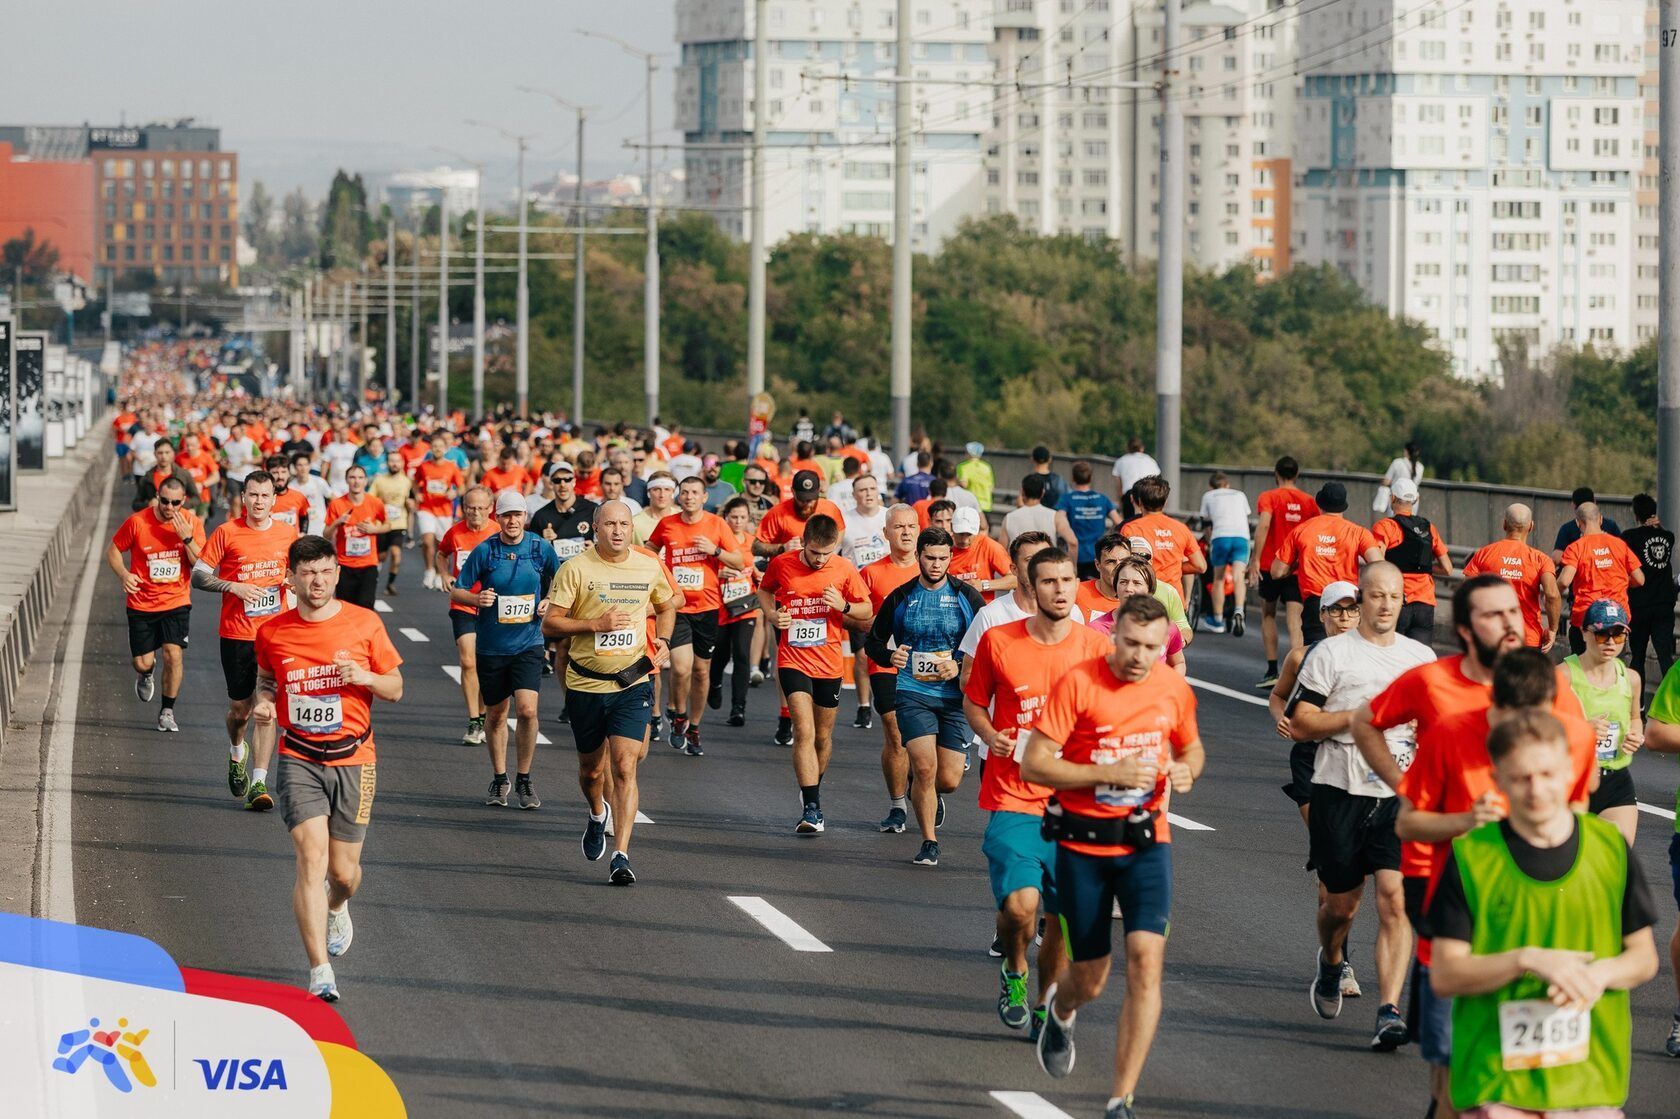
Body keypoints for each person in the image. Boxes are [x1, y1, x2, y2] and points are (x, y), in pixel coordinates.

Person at [1393, 646, 1600, 1117]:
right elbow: (1407, 824)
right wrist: (1466, 821)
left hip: (1540, 922)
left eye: (1543, 718)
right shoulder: (1451, 734)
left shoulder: (1574, 737)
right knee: (1453, 1084)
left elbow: (1580, 818)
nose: (1534, 735)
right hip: (1461, 916)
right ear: (1496, 707)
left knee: (1533, 1085)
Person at [1021, 594, 1203, 1119]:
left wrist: (1189, 768)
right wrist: (1107, 774)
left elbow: (1191, 748)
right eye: (1130, 643)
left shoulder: (1172, 687)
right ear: (1113, 636)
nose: (1139, 656)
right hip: (1083, 845)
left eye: (1151, 646)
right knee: (1092, 977)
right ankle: (1060, 1007)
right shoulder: (1080, 683)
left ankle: (1120, 1098)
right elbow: (1035, 764)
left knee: (1147, 961)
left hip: (1147, 844)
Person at [1427, 710, 1659, 1119]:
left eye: (1548, 775)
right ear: (1497, 779)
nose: (1537, 790)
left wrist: (1596, 975)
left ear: (1571, 769)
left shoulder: (1610, 848)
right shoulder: (1472, 857)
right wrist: (1527, 960)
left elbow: (1643, 958)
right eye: (1521, 778)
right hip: (1496, 1078)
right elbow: (1446, 975)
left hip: (1589, 1079)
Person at [253, 533, 405, 1003]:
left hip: (355, 758)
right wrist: (263, 703)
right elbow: (264, 682)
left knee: (343, 873)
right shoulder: (273, 632)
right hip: (299, 757)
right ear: (293, 578)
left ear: (336, 574)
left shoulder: (364, 624)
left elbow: (396, 687)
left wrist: (365, 677)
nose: (316, 581)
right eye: (307, 573)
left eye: (324, 572)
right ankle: (319, 970)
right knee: (310, 859)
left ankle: (338, 905)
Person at [1290, 562, 1434, 1051]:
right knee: (1341, 907)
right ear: (1362, 598)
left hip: (1398, 794)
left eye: (1394, 596)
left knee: (1395, 898)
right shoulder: (1331, 654)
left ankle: (1389, 1009)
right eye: (1376, 596)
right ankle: (1331, 961)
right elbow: (1301, 721)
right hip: (1340, 790)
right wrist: (1357, 719)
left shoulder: (1420, 657)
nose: (1387, 604)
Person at [963, 546, 1106, 1039]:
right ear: (1030, 585)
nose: (1060, 589)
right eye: (1049, 581)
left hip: (1077, 806)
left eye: (1068, 580)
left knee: (1061, 920)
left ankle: (1046, 1000)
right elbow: (975, 701)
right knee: (1021, 907)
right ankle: (1015, 968)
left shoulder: (1096, 648)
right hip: (1013, 796)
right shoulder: (999, 642)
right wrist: (988, 734)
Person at [543, 500, 677, 886]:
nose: (618, 531)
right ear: (595, 528)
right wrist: (595, 624)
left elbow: (667, 605)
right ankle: (596, 812)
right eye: (610, 524)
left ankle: (621, 855)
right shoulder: (576, 568)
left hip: (632, 681)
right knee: (591, 771)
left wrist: (664, 640)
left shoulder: (648, 564)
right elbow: (550, 626)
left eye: (624, 524)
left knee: (624, 766)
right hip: (586, 684)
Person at [864, 527, 986, 866]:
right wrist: (891, 657)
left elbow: (987, 644)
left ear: (950, 558)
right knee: (924, 764)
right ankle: (929, 842)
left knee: (947, 779)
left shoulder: (967, 596)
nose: (936, 564)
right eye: (930, 558)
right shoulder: (901, 596)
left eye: (942, 558)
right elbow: (872, 641)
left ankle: (924, 787)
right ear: (918, 557)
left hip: (954, 698)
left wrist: (958, 663)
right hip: (913, 692)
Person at [758, 514, 872, 834]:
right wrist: (771, 615)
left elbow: (867, 610)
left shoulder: (844, 569)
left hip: (829, 663)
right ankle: (812, 808)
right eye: (814, 552)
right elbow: (765, 590)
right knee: (804, 731)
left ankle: (812, 787)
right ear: (804, 542)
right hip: (793, 659)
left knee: (823, 737)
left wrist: (844, 606)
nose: (821, 560)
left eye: (827, 553)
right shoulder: (782, 563)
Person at [193, 470, 299, 812]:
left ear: (273, 499)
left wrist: (292, 582)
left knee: (266, 711)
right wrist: (233, 586)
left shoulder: (287, 534)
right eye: (252, 495)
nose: (258, 502)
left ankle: (258, 782)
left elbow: (297, 574)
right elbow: (198, 575)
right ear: (243, 498)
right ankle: (237, 752)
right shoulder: (227, 532)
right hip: (237, 634)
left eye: (264, 496)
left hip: (275, 636)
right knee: (241, 711)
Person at [451, 489, 561, 811]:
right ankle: (500, 777)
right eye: (506, 515)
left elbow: (563, 579)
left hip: (529, 642)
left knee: (527, 710)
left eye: (518, 515)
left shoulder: (540, 548)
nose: (512, 521)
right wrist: (477, 599)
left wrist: (549, 601)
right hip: (492, 646)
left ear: (525, 517)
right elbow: (458, 590)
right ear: (497, 518)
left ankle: (524, 779)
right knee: (497, 715)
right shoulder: (486, 550)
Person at [648, 477, 748, 756]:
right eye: (684, 492)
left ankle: (693, 726)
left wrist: (714, 551)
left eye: (694, 492)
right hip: (676, 607)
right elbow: (651, 550)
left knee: (702, 671)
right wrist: (656, 573)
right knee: (680, 667)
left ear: (705, 497)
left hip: (707, 607)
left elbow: (740, 561)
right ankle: (679, 714)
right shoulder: (668, 524)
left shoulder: (717, 525)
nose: (689, 497)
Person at [108, 477, 205, 732]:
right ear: (158, 498)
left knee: (173, 655)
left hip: (176, 601)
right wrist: (124, 574)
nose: (169, 507)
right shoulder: (138, 522)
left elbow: (202, 564)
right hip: (141, 602)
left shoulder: (191, 524)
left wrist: (187, 539)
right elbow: (114, 550)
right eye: (164, 501)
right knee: (143, 662)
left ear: (183, 501)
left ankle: (167, 711)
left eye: (175, 502)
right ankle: (146, 672)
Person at [1271, 580, 1362, 825]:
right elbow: (1278, 696)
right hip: (1309, 754)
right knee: (1323, 838)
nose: (1344, 617)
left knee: (1347, 838)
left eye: (1352, 609)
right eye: (1336, 609)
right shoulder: (1301, 656)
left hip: (1352, 753)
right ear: (1322, 615)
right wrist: (1281, 718)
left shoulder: (1373, 659)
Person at [861, 505, 925, 833]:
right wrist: (884, 621)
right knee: (895, 731)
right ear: (885, 533)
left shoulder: (934, 572)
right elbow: (852, 617)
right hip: (886, 663)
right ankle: (898, 805)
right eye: (898, 526)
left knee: (924, 739)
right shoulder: (871, 573)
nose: (905, 532)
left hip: (928, 667)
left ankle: (924, 784)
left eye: (911, 526)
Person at [1564, 601, 1645, 846]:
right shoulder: (1562, 676)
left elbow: (1634, 718)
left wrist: (1635, 735)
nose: (1611, 642)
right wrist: (1581, 730)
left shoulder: (1630, 678)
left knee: (1616, 863)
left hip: (1615, 779)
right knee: (1568, 870)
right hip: (1571, 780)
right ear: (1584, 632)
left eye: (1618, 635)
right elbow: (1536, 730)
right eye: (1602, 634)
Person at [1271, 481, 1383, 644]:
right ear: (1344, 506)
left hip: (1316, 604)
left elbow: (1276, 572)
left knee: (1317, 659)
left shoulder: (1302, 530)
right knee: (1347, 657)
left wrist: (1297, 563)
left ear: (1320, 504)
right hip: (1348, 603)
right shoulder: (1358, 532)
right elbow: (1379, 565)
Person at [438, 487, 498, 747]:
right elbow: (442, 554)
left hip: (492, 606)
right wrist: (443, 574)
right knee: (467, 661)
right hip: (463, 603)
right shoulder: (455, 531)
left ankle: (483, 714)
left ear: (490, 508)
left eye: (480, 508)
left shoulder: (498, 532)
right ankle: (474, 720)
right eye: (470, 508)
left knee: (485, 665)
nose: (475, 513)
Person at [1251, 457, 1319, 687]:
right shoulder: (1309, 502)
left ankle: (1272, 670)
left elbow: (1263, 526)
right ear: (1297, 475)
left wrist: (1255, 560)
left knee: (1268, 615)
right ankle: (1298, 671)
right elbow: (1316, 532)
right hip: (1297, 567)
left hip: (1271, 565)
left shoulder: (1269, 497)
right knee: (1295, 619)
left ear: (1276, 473)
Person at [1462, 503, 1562, 652]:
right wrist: (1553, 629)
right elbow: (1552, 595)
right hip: (1528, 638)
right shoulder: (1541, 559)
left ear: (1504, 524)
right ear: (1531, 526)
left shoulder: (1484, 553)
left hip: (1493, 636)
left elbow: (1466, 593)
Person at [1372, 477, 1453, 644]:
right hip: (1425, 603)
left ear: (1392, 498)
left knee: (1392, 660)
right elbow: (1448, 568)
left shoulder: (1386, 527)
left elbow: (1377, 562)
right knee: (1420, 661)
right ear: (1416, 499)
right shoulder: (1428, 527)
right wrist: (1428, 569)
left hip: (1397, 601)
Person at [1558, 503, 1644, 656]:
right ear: (1601, 520)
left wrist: (1552, 593)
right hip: (1617, 617)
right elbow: (1640, 579)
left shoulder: (1576, 547)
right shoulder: (1619, 544)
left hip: (1586, 617)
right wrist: (1622, 583)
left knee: (1583, 671)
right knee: (1614, 670)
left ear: (1578, 523)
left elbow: (1564, 581)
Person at [841, 473, 890, 727]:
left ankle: (894, 700)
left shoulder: (889, 516)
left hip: (890, 593)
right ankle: (863, 705)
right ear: (854, 495)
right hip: (860, 595)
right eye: (863, 490)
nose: (868, 493)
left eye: (872, 488)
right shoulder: (846, 521)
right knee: (861, 655)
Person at [710, 496, 762, 727]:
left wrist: (758, 576)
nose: (738, 521)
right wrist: (718, 574)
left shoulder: (753, 542)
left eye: (742, 517)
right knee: (720, 654)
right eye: (734, 517)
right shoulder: (716, 542)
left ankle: (738, 708)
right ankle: (715, 683)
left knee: (742, 654)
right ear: (726, 518)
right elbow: (703, 570)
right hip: (720, 606)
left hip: (745, 606)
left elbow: (759, 571)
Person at [1621, 493, 1676, 681]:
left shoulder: (1628, 537)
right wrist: (1657, 525)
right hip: (1664, 605)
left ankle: (1639, 706)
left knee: (1637, 657)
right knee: (1665, 657)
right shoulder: (1668, 537)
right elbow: (1664, 533)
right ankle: (1674, 703)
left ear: (1635, 515)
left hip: (1639, 605)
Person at [324, 465, 388, 609]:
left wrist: (375, 529)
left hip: (368, 565)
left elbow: (388, 525)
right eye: (352, 477)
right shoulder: (337, 504)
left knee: (366, 607)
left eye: (360, 478)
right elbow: (326, 534)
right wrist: (337, 522)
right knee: (345, 608)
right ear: (346, 480)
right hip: (345, 565)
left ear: (365, 481)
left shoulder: (375, 503)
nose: (356, 481)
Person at [1197, 472, 1252, 636]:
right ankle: (1239, 610)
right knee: (1239, 577)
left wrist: (1208, 542)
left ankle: (1218, 620)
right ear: (1227, 484)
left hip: (1221, 538)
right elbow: (1246, 517)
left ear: (1211, 486)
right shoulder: (1240, 495)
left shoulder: (1208, 496)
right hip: (1241, 538)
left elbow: (1206, 524)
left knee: (1218, 579)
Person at [412, 435, 466, 590]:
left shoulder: (451, 467)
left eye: (440, 446)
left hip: (444, 510)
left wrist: (454, 493)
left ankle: (438, 573)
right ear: (431, 448)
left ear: (445, 449)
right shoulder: (424, 466)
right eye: (434, 446)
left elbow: (461, 487)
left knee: (441, 545)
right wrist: (417, 493)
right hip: (426, 508)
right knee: (428, 540)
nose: (437, 449)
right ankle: (429, 570)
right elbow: (415, 482)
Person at [1058, 461, 1120, 580]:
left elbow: (1059, 518)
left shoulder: (1067, 499)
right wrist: (1108, 535)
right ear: (1091, 478)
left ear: (1072, 478)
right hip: (1097, 554)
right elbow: (1118, 522)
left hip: (1075, 556)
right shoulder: (1102, 498)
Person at [369, 450, 412, 596]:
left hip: (399, 523)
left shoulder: (407, 481)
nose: (394, 464)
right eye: (392, 461)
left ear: (402, 463)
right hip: (381, 524)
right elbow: (370, 499)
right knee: (380, 557)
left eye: (397, 461)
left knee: (396, 553)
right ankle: (372, 579)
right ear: (387, 463)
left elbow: (410, 500)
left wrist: (411, 505)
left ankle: (390, 583)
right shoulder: (379, 480)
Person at [1551, 486, 1623, 560]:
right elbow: (1623, 551)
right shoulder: (1611, 525)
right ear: (1594, 502)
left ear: (1573, 504)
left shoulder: (1568, 529)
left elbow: (1557, 557)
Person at [131, 437, 200, 512]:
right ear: (155, 454)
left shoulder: (184, 474)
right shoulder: (147, 478)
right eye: (160, 453)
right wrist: (148, 504)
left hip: (178, 517)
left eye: (167, 452)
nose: (164, 456)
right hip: (155, 518)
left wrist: (178, 504)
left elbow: (196, 498)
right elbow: (136, 504)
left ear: (173, 453)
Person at [1111, 437, 1161, 519]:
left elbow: (1119, 487)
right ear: (1142, 448)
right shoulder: (1151, 461)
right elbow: (1157, 482)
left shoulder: (1121, 461)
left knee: (1130, 523)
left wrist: (1121, 504)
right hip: (1148, 494)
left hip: (1130, 495)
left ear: (1128, 448)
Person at [1005, 474, 1059, 543]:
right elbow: (1072, 542)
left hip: (1019, 553)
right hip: (1045, 553)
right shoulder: (1055, 516)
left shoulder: (1009, 518)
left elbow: (1000, 550)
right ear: (1043, 492)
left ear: (1022, 492)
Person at [1374, 442, 1424, 514]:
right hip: (1412, 501)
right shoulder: (1421, 467)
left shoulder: (1397, 463)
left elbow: (1386, 481)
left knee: (1394, 522)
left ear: (1406, 451)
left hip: (1397, 499)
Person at [267, 454, 312, 530]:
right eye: (275, 473)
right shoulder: (261, 499)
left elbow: (304, 516)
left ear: (289, 473)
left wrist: (303, 534)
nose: (280, 476)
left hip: (294, 541)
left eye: (283, 472)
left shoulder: (299, 496)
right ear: (268, 474)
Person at [956, 441, 995, 513]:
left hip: (969, 504)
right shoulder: (987, 467)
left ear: (968, 453)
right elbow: (991, 487)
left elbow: (964, 484)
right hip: (985, 505)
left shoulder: (963, 467)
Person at [1026, 445, 1067, 510]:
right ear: (1049, 459)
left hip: (1036, 517)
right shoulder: (1059, 480)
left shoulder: (1029, 480)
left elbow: (1021, 503)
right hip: (1054, 518)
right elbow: (1065, 501)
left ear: (1032, 459)